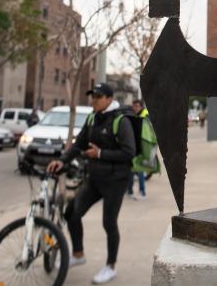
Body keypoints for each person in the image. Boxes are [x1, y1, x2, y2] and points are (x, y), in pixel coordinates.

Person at [46, 83, 135, 284]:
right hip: (95, 178)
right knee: (71, 213)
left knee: (109, 222)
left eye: (98, 96)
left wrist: (100, 153)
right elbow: (79, 145)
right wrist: (62, 160)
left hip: (115, 181)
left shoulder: (121, 121)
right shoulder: (92, 118)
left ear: (109, 99)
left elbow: (128, 153)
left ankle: (110, 267)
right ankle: (78, 254)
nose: (94, 99)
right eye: (92, 95)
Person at [126, 99, 148, 200]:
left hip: (141, 149)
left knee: (140, 171)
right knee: (131, 170)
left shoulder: (144, 116)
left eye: (137, 106)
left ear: (141, 106)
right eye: (133, 106)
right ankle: (129, 190)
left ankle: (142, 191)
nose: (135, 108)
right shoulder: (133, 116)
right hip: (132, 148)